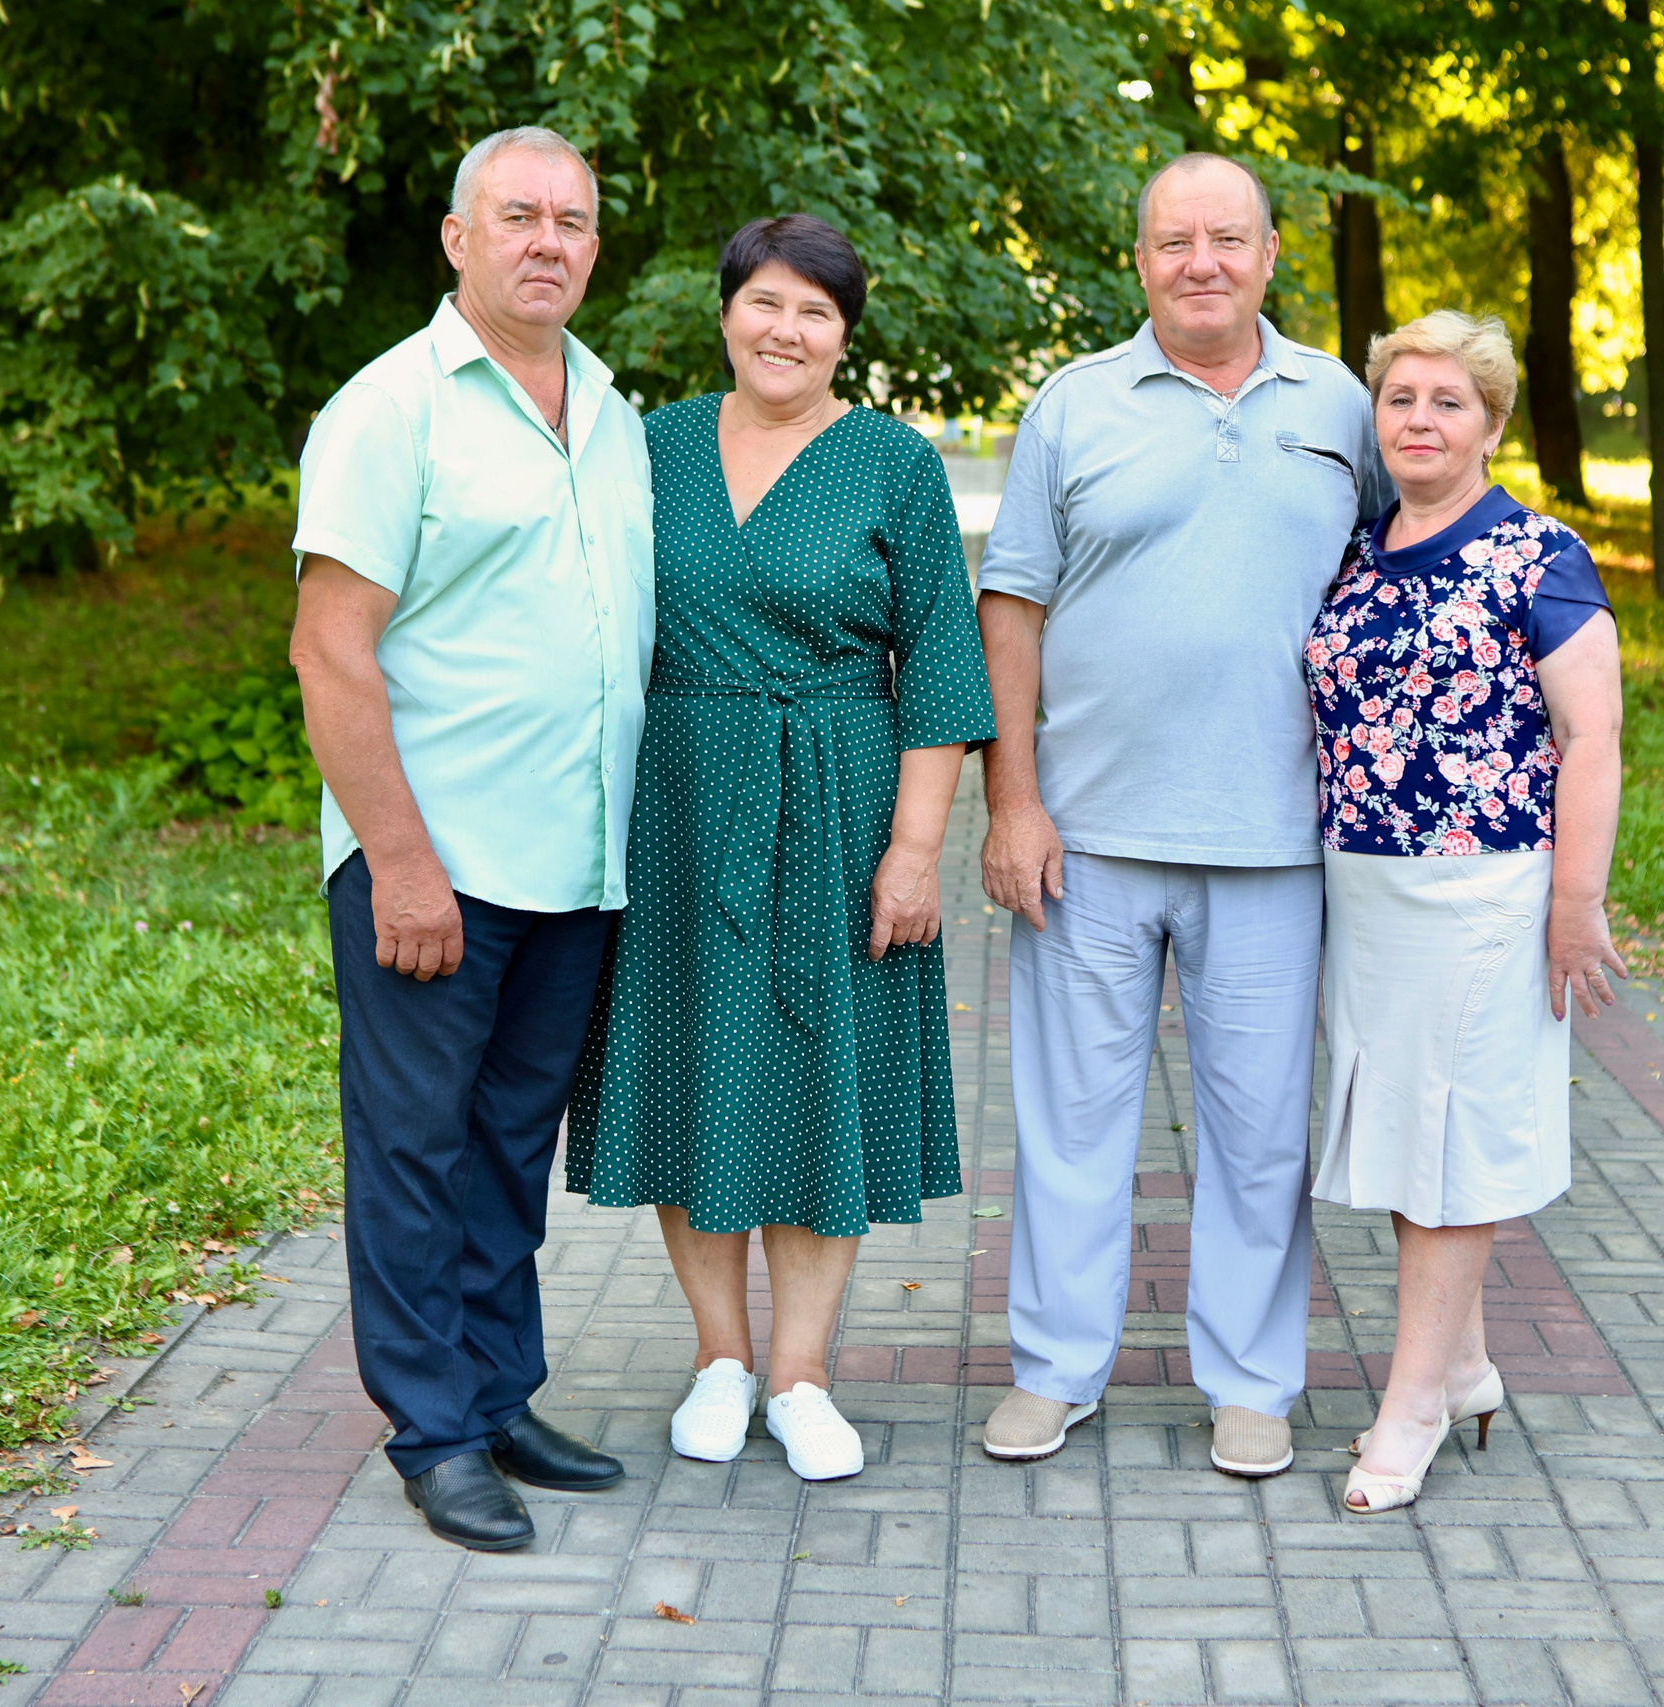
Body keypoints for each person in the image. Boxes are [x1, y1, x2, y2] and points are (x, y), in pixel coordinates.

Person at [975, 154, 1393, 1477]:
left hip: (1277, 841)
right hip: (1086, 838)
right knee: (1070, 1123)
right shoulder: (1074, 404)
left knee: (1262, 1133)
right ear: (1139, 259)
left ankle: (1254, 1383)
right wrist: (1014, 800)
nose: (1199, 262)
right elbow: (1014, 604)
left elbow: (1402, 566)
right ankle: (1053, 1368)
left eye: (1227, 239)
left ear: (1272, 254)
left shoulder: (1337, 400)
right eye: (1174, 241)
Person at [566, 215, 996, 1482]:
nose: (785, 330)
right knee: (696, 1062)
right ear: (725, 314)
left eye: (815, 311)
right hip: (682, 796)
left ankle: (802, 1375)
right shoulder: (649, 449)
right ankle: (718, 1358)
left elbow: (943, 665)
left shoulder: (890, 464)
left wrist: (914, 852)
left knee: (822, 1077)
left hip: (844, 792)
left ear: (845, 335)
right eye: (764, 302)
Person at [289, 126, 650, 1552]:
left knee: (509, 1142)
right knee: (416, 1146)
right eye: (517, 216)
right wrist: (400, 859)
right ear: (456, 238)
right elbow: (331, 651)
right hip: (435, 865)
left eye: (572, 219)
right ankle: (433, 1428)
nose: (546, 240)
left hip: (576, 861)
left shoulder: (611, 409)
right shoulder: (391, 411)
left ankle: (501, 1392)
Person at [1302, 310, 1626, 1514]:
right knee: (1407, 1136)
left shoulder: (1539, 556)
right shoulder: (1357, 550)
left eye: (1447, 402)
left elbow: (1590, 735)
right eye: (1400, 400)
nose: (1420, 421)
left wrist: (1574, 907)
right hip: (1366, 890)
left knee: (1451, 1147)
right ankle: (1470, 1365)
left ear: (1491, 424)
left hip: (1486, 892)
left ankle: (1414, 1403)